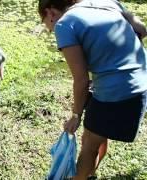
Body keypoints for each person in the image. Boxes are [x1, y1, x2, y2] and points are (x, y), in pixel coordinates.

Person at [38, 0, 147, 179]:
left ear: (50, 13)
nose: (51, 30)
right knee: (96, 134)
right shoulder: (107, 2)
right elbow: (142, 30)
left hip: (118, 90)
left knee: (89, 144)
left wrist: (76, 115)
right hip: (142, 81)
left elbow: (81, 80)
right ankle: (90, 174)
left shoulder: (65, 24)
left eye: (48, 26)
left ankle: (81, 176)